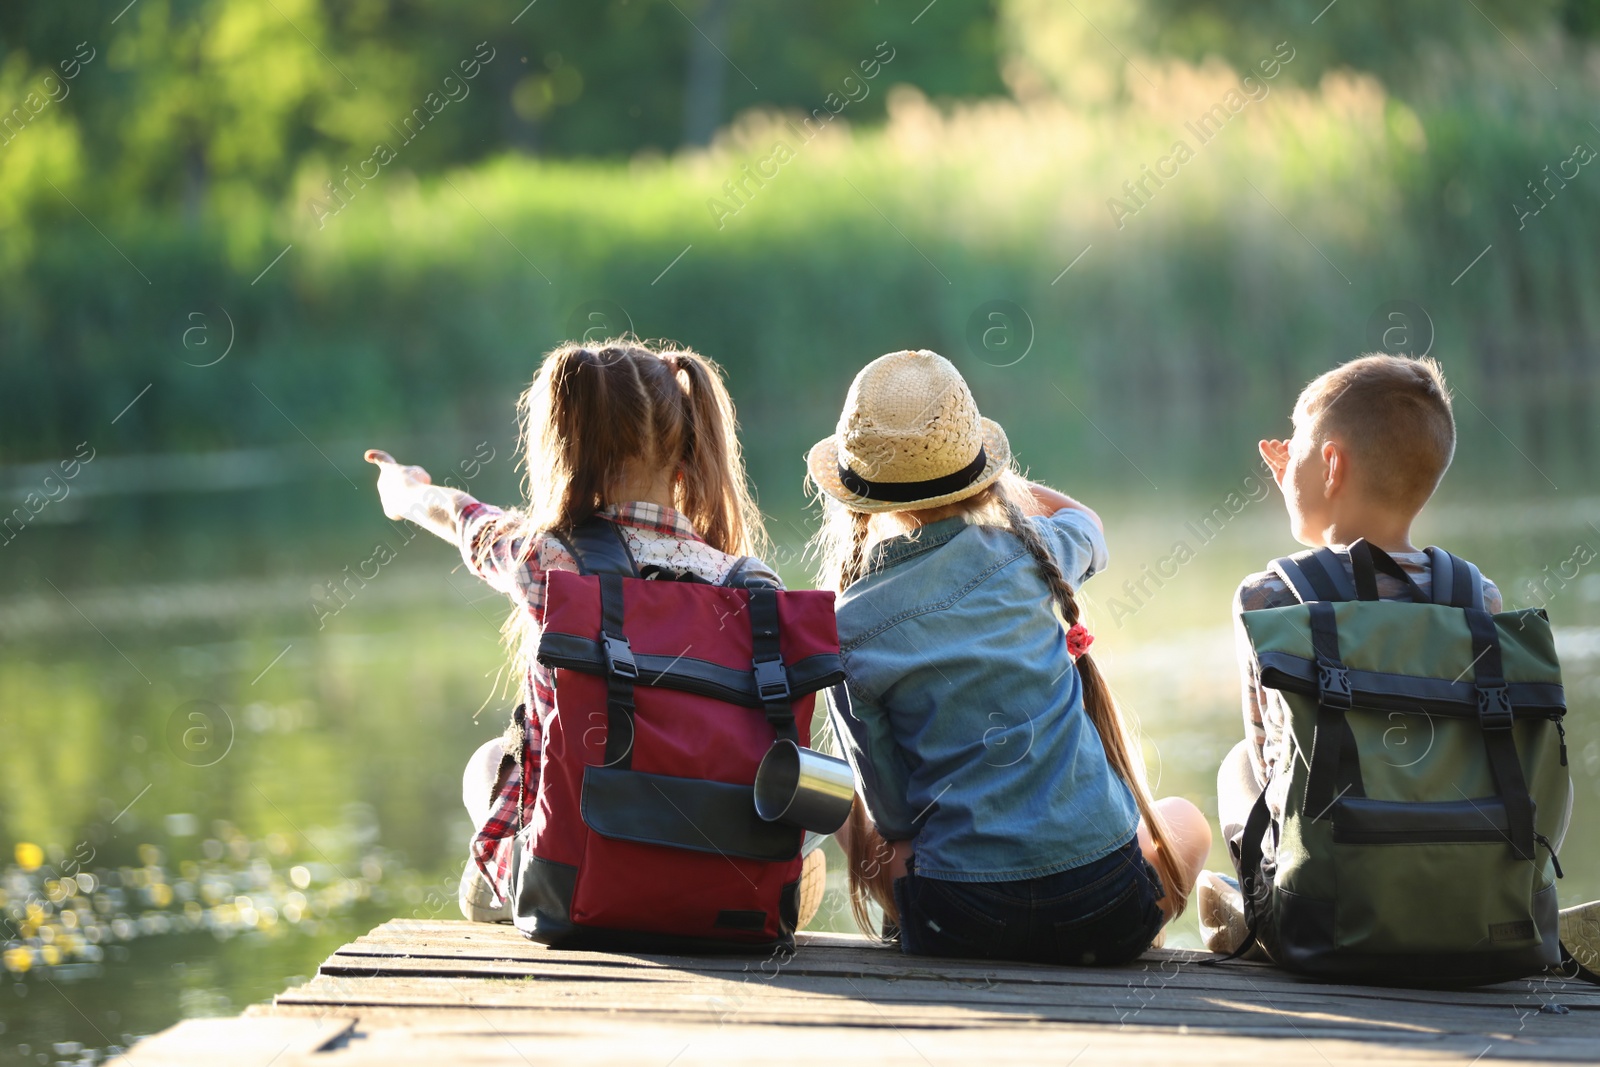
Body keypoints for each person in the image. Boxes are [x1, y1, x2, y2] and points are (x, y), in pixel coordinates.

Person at [364, 339, 826, 924]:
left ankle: (504, 885)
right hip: (729, 883)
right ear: (685, 444)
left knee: (487, 763)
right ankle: (742, 891)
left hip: (578, 884)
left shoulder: (548, 561)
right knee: (804, 812)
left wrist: (404, 493)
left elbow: (468, 520)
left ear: (568, 450)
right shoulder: (754, 587)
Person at [807, 349, 1210, 964]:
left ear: (857, 496)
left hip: (962, 924)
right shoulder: (1029, 556)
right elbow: (1086, 521)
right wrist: (1004, 491)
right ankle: (1111, 948)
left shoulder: (846, 628)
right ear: (983, 476)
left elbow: (892, 816)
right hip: (1106, 908)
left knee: (844, 807)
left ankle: (914, 925)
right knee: (1184, 821)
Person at [1198, 353, 1593, 958]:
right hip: (1467, 891)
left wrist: (1306, 528)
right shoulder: (1475, 596)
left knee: (1236, 766)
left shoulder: (1269, 598)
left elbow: (1273, 753)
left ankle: (1261, 914)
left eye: (1298, 444)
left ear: (1331, 464)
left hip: (1332, 914)